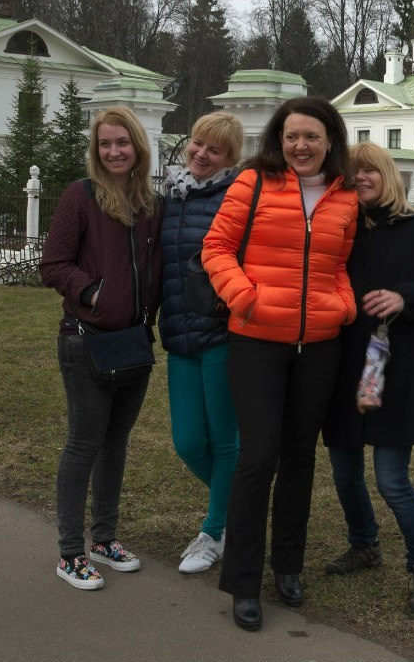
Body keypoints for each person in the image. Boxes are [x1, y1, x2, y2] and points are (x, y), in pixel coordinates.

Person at [202, 96, 358, 631]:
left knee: (299, 457)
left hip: (320, 344)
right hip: (256, 341)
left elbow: (340, 264)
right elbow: (216, 247)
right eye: (292, 136)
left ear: (330, 140)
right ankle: (243, 581)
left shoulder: (344, 195)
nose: (300, 145)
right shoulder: (253, 182)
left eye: (311, 136)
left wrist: (343, 305)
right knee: (258, 457)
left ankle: (288, 566)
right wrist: (244, 297)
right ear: (279, 139)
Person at [321, 141, 414, 614]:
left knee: (391, 479)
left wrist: (406, 298)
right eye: (351, 173)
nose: (360, 178)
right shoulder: (340, 230)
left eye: (369, 171)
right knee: (344, 473)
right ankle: (364, 543)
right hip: (344, 369)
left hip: (399, 371)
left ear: (387, 176)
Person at [39, 107, 163, 591]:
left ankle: (104, 539)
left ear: (138, 147)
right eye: (105, 144)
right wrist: (93, 293)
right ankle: (71, 553)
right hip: (85, 340)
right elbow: (53, 264)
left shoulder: (151, 204)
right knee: (84, 444)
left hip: (133, 342)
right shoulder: (83, 196)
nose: (114, 151)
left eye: (122, 142)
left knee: (116, 443)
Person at [157, 111, 244, 574]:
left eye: (215, 149)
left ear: (230, 158)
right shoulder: (170, 196)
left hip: (221, 332)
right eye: (197, 143)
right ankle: (243, 508)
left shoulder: (237, 197)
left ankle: (214, 531)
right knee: (189, 442)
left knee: (224, 441)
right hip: (178, 332)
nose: (202, 154)